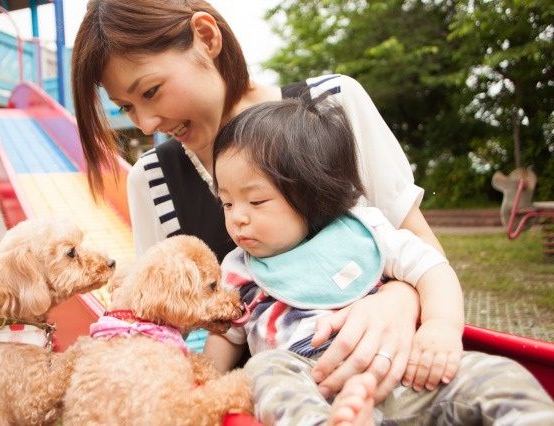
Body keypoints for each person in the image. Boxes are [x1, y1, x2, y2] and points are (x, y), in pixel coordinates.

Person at [69, 1, 554, 419]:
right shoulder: (150, 179)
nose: (148, 122)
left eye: (150, 91)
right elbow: (164, 328)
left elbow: (420, 250)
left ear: (205, 36)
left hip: (400, 363)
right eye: (126, 107)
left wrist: (399, 298)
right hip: (276, 398)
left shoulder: (332, 104)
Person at [210, 94, 554, 424]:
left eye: (256, 202)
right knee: (263, 371)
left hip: (404, 373)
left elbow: (432, 269)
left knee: (500, 375)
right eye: (227, 203)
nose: (237, 217)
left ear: (312, 194)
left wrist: (440, 327)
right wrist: (203, 381)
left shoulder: (365, 232)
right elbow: (225, 337)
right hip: (312, 385)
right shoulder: (239, 269)